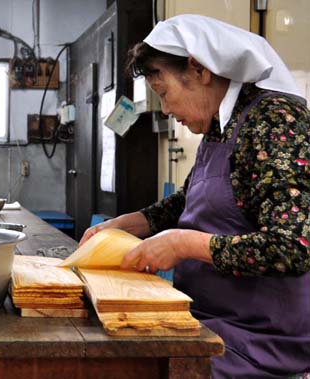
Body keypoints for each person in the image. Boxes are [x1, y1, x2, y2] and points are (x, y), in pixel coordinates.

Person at [80, 15, 310, 378]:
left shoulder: (275, 121)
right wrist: (127, 223)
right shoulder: (221, 127)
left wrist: (183, 244)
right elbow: (185, 202)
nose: (167, 110)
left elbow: (292, 247)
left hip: (259, 340)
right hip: (207, 320)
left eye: (166, 94)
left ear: (199, 70)